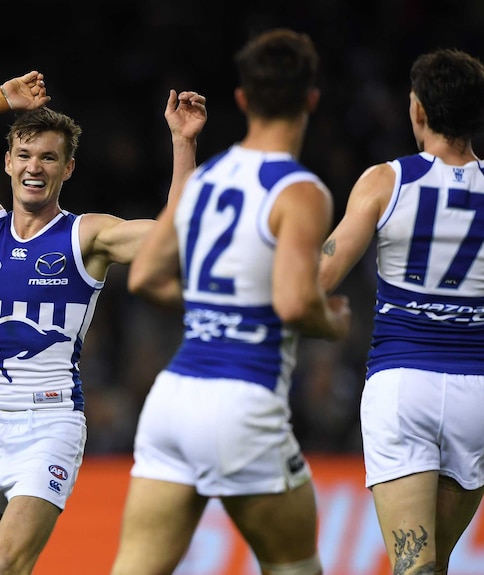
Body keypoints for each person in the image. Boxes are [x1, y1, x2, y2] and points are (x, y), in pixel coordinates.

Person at [0, 71, 207, 575]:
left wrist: (182, 142)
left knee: (5, 564)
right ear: (7, 162)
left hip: (49, 424)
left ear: (68, 168)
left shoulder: (86, 235)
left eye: (48, 158)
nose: (34, 168)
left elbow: (175, 238)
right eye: (24, 155)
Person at [112, 29, 351, 575]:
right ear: (311, 100)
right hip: (243, 401)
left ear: (242, 100)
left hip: (173, 399)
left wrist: (212, 311)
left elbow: (145, 275)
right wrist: (331, 322)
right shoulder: (301, 191)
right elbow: (294, 303)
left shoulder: (207, 177)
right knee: (295, 566)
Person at [318, 48, 484, 574]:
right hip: (481, 392)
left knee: (414, 567)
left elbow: (320, 278)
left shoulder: (386, 181)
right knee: (435, 566)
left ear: (418, 111)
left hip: (403, 384)